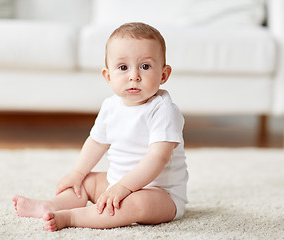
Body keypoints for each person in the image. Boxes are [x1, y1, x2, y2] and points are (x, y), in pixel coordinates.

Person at [12, 22, 188, 231]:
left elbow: (158, 158)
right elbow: (96, 142)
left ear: (163, 75)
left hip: (159, 193)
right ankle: (50, 206)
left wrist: (125, 187)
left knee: (137, 204)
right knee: (86, 182)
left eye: (145, 66)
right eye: (123, 67)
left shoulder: (163, 110)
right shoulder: (110, 106)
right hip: (115, 183)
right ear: (108, 76)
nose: (134, 76)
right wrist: (77, 173)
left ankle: (72, 217)